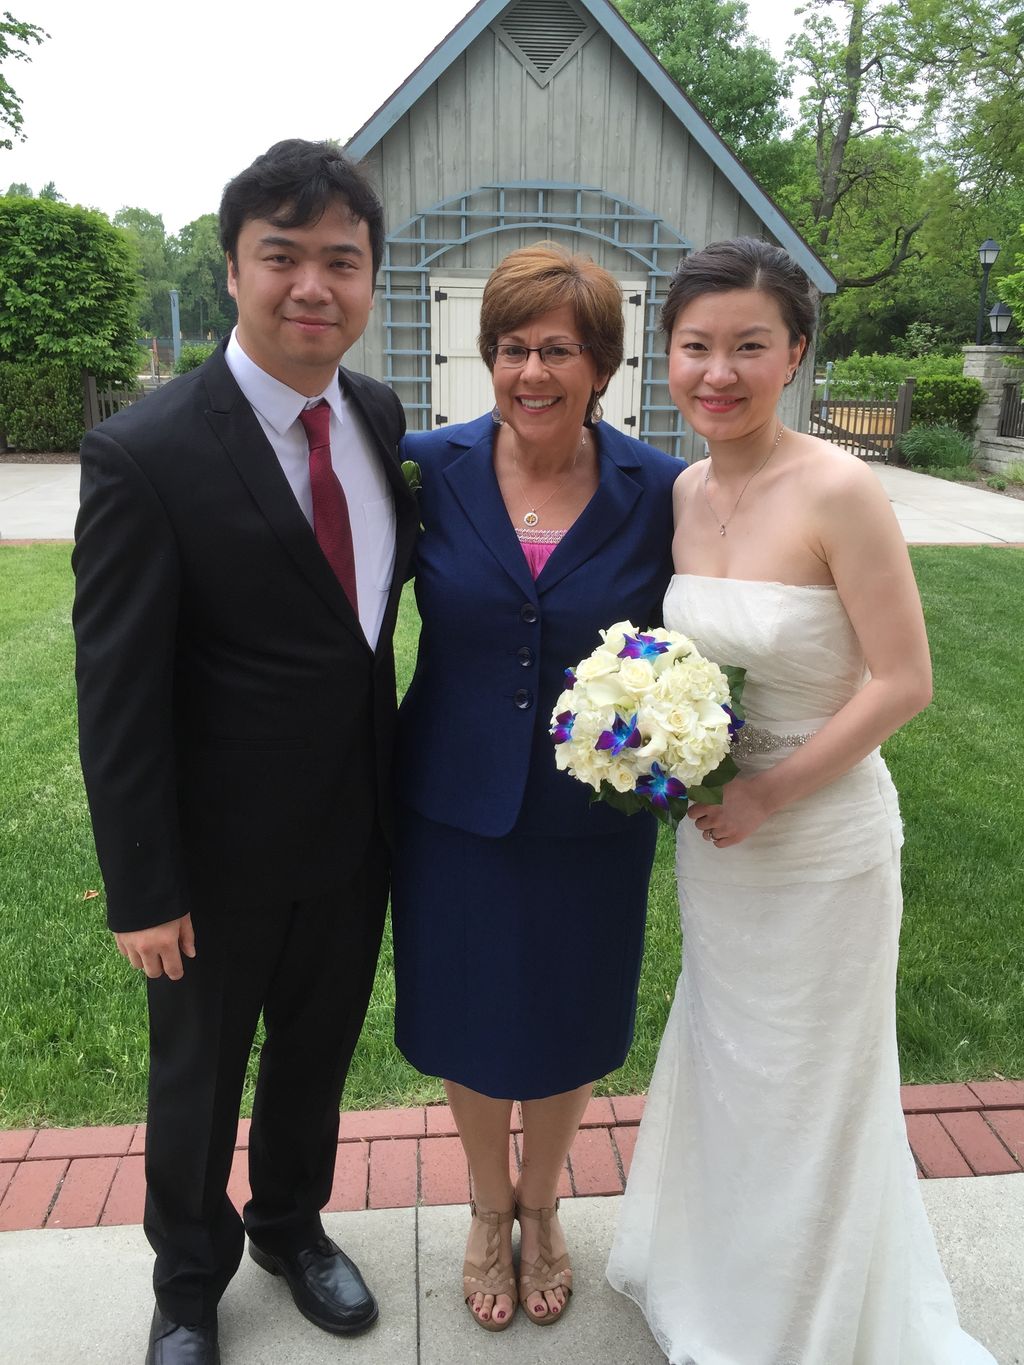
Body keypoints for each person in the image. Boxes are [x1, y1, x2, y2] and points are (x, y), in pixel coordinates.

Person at [606, 237, 995, 1363]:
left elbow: (904, 681)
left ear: (796, 356)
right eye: (694, 347)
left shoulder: (839, 488)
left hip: (819, 839)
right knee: (731, 1068)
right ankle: (719, 1286)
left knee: (810, 1085)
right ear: (665, 358)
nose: (716, 371)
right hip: (717, 842)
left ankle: (800, 1326)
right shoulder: (681, 490)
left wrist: (771, 792)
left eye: (748, 346)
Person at [73, 140, 418, 1365]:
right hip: (211, 866)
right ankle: (185, 1286)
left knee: (314, 1062)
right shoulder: (146, 453)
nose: (312, 285)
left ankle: (290, 1226)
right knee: (196, 1086)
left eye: (342, 260)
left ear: (371, 279)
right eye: (283, 256)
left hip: (354, 836)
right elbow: (115, 695)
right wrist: (144, 888)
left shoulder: (378, 421)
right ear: (232, 271)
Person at [390, 242, 680, 1331]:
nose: (529, 373)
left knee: (568, 1009)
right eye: (510, 348)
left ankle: (544, 1206)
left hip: (594, 813)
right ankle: (481, 1205)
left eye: (555, 348)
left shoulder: (659, 489)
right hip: (450, 800)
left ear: (600, 364)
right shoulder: (425, 466)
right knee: (467, 1011)